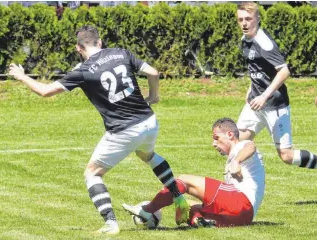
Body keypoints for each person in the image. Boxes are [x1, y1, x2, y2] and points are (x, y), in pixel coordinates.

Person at [8, 25, 190, 235]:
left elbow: (45, 91)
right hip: (148, 122)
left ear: (78, 48)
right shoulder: (121, 53)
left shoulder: (83, 71)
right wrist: (153, 96)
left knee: (92, 173)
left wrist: (21, 76)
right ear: (100, 42)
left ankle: (111, 223)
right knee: (146, 154)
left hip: (123, 130)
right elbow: (153, 72)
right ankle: (178, 196)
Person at [123, 118, 265, 227]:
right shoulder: (234, 156)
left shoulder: (241, 146)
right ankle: (200, 221)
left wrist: (237, 161)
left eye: (216, 138)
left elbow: (250, 146)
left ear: (230, 134)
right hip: (243, 217)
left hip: (241, 202)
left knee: (184, 180)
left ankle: (147, 210)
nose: (214, 144)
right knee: (188, 205)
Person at [236, 2, 316, 169]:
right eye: (240, 19)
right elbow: (257, 68)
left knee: (286, 156)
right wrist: (251, 89)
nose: (244, 23)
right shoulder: (245, 40)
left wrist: (264, 95)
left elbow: (284, 70)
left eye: (248, 19)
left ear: (257, 18)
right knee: (237, 142)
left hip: (275, 105)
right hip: (255, 104)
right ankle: (241, 185)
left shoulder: (264, 42)